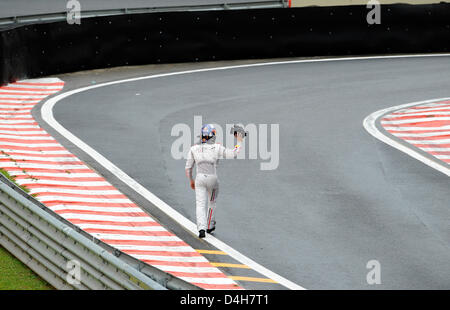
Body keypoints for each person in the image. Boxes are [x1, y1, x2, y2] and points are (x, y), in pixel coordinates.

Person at [185, 124, 243, 238]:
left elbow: (188, 168)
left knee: (200, 204)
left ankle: (201, 228)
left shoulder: (194, 148)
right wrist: (239, 141)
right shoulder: (217, 148)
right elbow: (234, 153)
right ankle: (210, 225)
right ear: (213, 136)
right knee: (212, 202)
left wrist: (191, 180)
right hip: (212, 179)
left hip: (200, 178)